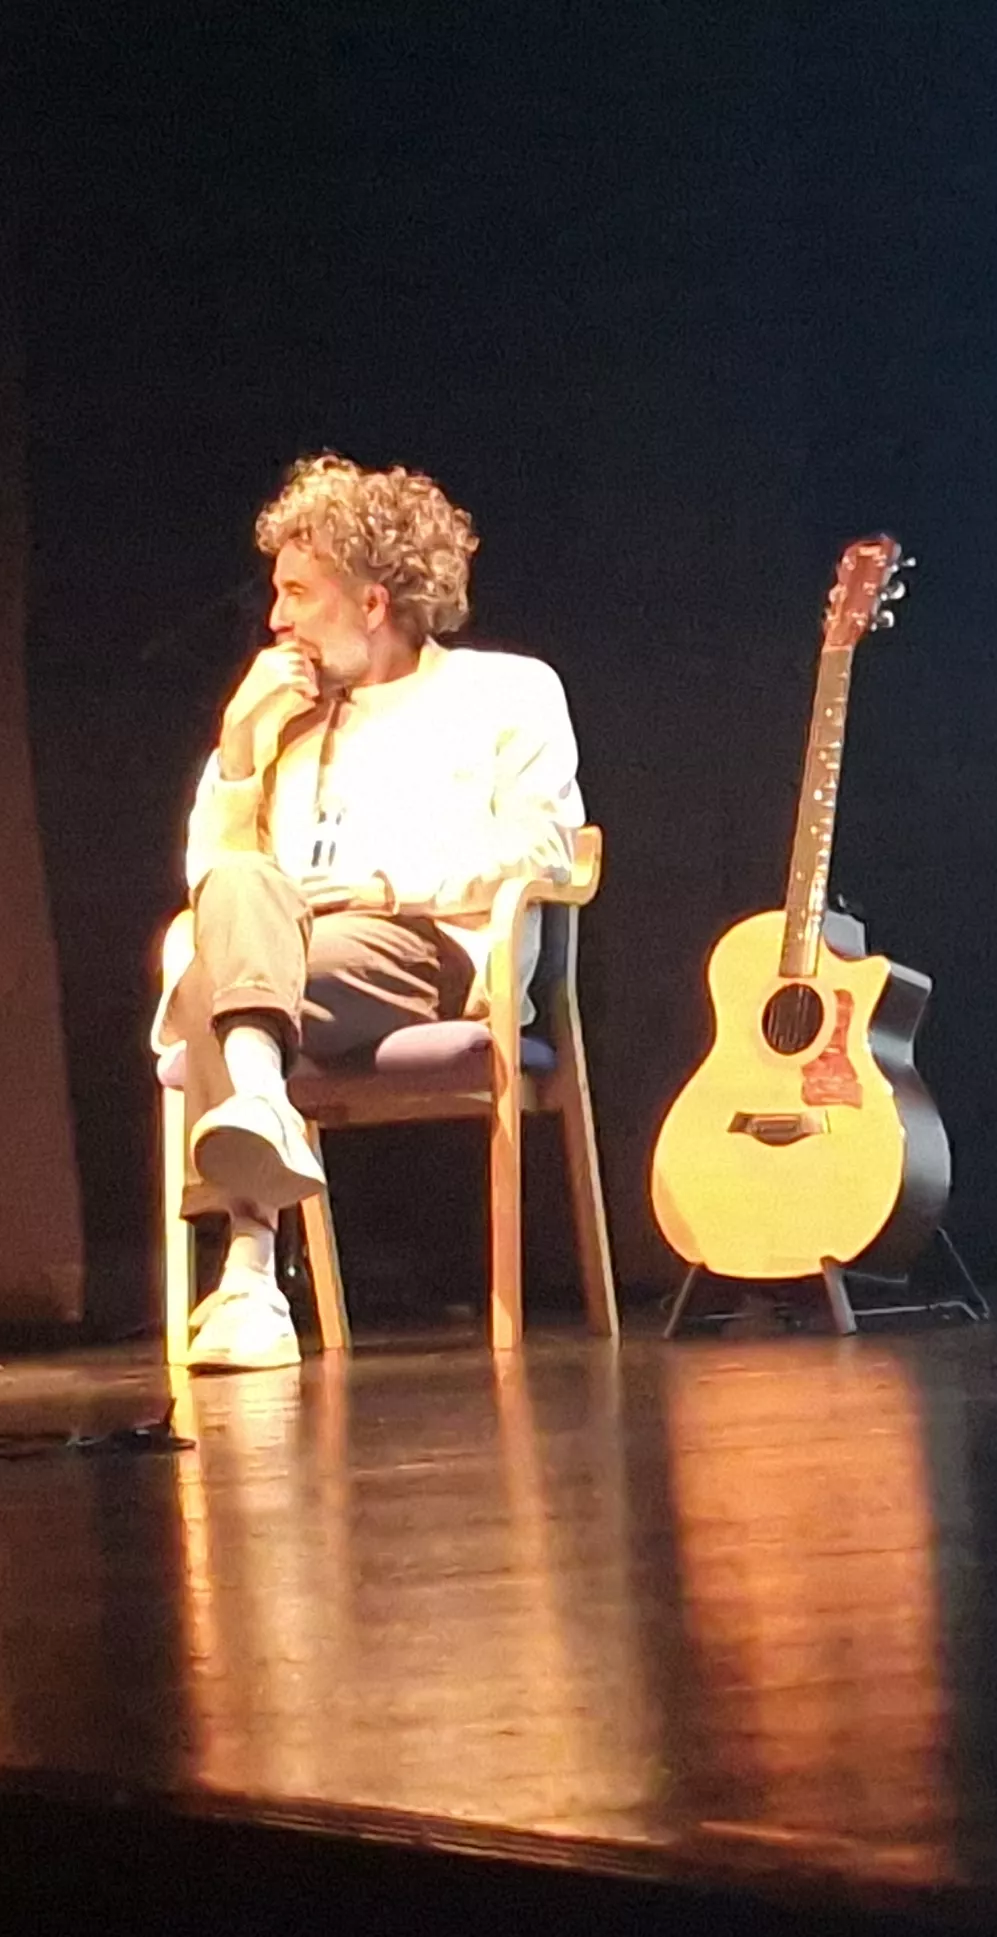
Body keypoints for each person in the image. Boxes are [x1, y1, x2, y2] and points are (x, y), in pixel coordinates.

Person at [160, 455, 586, 1372]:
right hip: (291, 959)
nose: (275, 620)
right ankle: (260, 1140)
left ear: (372, 601)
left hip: (432, 950)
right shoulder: (286, 716)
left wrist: (387, 887)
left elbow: (545, 847)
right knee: (227, 934)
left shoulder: (506, 692)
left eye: (296, 593)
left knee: (210, 983)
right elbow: (212, 879)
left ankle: (248, 1273)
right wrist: (236, 748)